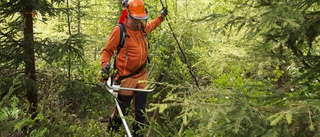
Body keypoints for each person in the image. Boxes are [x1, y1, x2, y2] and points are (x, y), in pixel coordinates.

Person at [100, 0, 168, 136]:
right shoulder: (120, 30)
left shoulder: (141, 28)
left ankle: (138, 134)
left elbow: (151, 25)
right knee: (122, 111)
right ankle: (111, 132)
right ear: (129, 15)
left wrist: (161, 17)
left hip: (142, 76)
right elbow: (107, 51)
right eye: (137, 19)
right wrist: (105, 66)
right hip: (126, 79)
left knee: (140, 112)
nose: (139, 22)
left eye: (141, 19)